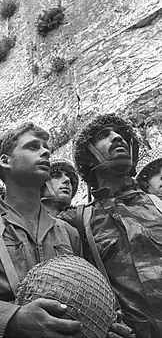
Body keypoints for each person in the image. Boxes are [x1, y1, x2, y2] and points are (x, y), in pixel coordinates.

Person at [0, 122, 132, 338]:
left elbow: (91, 293)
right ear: (5, 161)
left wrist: (107, 326)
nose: (45, 152)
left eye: (46, 149)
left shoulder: (69, 233)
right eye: (33, 147)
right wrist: (13, 319)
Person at [59, 113, 162, 338]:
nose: (117, 137)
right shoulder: (76, 222)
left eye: (121, 135)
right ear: (89, 158)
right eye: (103, 136)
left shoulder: (158, 202)